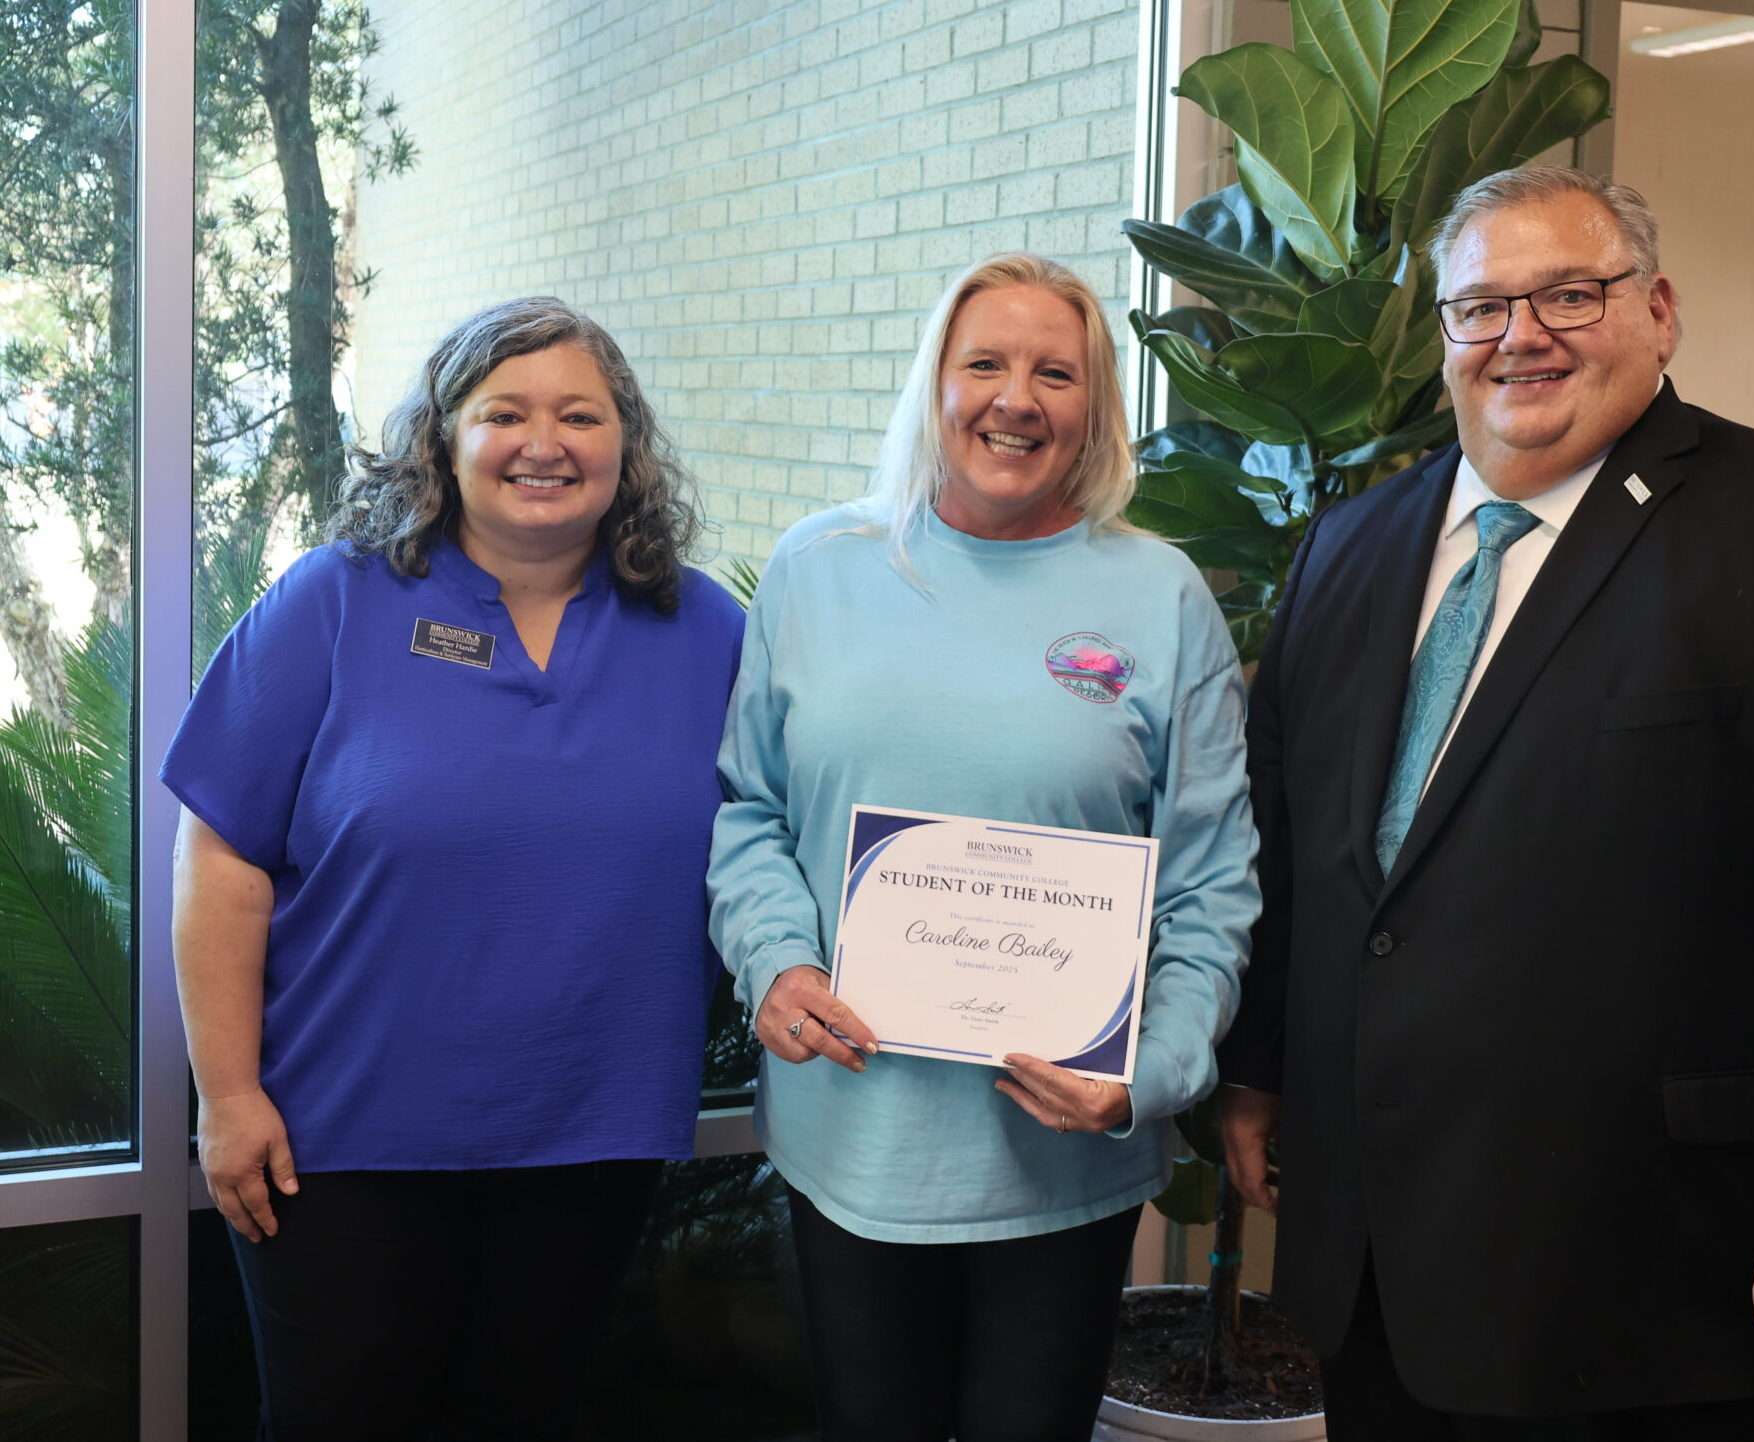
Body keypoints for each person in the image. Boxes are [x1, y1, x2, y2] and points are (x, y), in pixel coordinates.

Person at [1215, 166, 1754, 1439]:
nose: (1519, 335)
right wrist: (1258, 1070)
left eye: (1568, 293)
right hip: (1381, 1265)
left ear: (1657, 310)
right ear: (1442, 338)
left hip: (1674, 1280)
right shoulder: (1351, 543)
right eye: (1479, 306)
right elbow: (1296, 838)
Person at [166, 296, 744, 1441]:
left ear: (625, 443)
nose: (545, 442)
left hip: (590, 1136)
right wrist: (228, 1097)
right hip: (334, 1144)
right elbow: (223, 854)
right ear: (444, 438)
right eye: (505, 412)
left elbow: (776, 830)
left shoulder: (705, 630)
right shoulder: (333, 601)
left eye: (581, 414)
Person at [707, 252, 1258, 1442]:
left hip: (1059, 1172)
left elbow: (1212, 878)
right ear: (935, 385)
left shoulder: (1161, 600)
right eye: (986, 364)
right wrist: (778, 962)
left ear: (1095, 407)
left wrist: (1148, 1071)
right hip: (851, 1142)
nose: (1017, 397)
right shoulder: (818, 569)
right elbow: (748, 810)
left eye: (1055, 371)